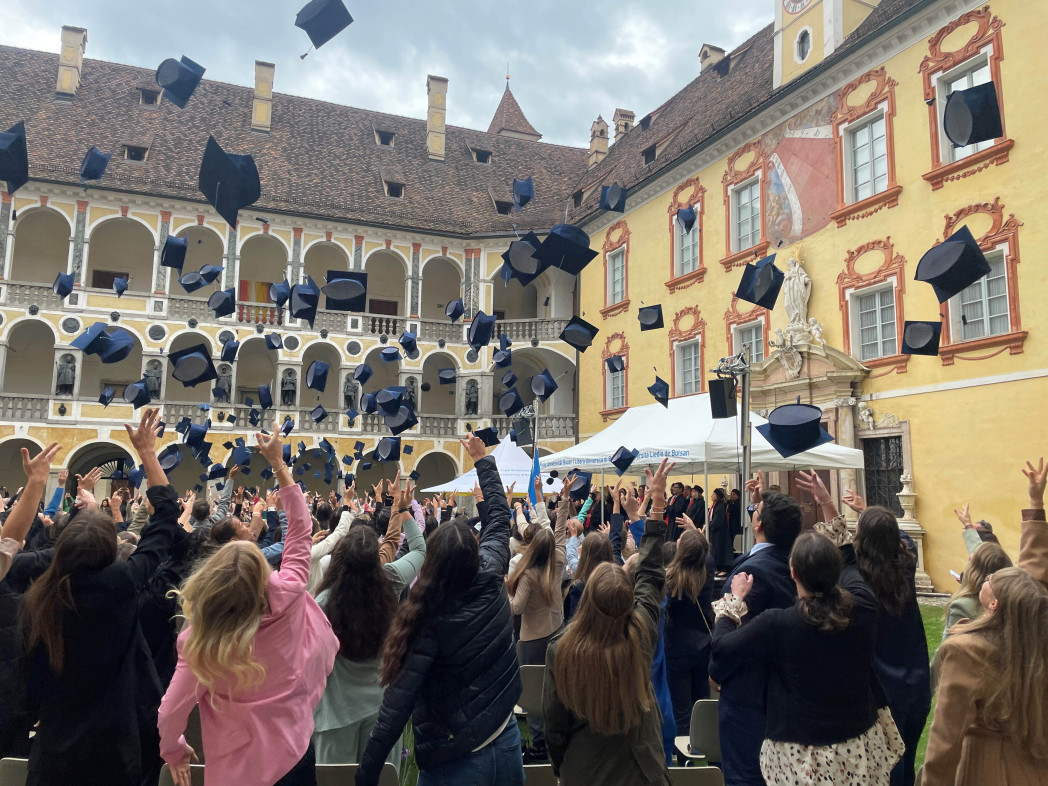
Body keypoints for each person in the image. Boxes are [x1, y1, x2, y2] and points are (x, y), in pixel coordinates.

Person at [158, 413, 340, 786]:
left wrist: (174, 748)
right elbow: (301, 532)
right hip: (294, 755)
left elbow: (171, 713)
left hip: (237, 770)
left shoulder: (199, 642)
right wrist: (278, 463)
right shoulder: (288, 593)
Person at [22, 410, 186, 786]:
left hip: (53, 752)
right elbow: (166, 517)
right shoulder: (123, 582)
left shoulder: (38, 596)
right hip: (112, 748)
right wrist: (147, 453)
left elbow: (29, 687)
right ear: (110, 550)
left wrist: (39, 489)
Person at [356, 433, 523, 786]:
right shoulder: (492, 572)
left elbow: (396, 708)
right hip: (506, 739)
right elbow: (498, 517)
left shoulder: (427, 620)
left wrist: (366, 773)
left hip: (457, 757)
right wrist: (482, 459)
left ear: (432, 562)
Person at [711, 522, 904, 785]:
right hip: (857, 741)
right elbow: (850, 563)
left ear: (793, 573)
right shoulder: (863, 607)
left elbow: (722, 649)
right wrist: (827, 505)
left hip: (801, 754)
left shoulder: (777, 624)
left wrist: (733, 602)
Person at [542, 458, 675, 785]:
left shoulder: (561, 649)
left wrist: (562, 767)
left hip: (584, 769)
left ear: (587, 600)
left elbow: (554, 726)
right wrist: (655, 507)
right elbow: (650, 576)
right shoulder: (640, 632)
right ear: (628, 602)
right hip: (639, 770)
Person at [923, 457, 1048, 785]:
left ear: (994, 604)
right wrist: (1036, 503)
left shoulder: (967, 650)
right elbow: (1033, 575)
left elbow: (945, 741)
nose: (989, 576)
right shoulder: (1033, 625)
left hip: (988, 767)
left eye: (996, 579)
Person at [313, 478, 426, 765]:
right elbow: (420, 551)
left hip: (335, 716)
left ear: (339, 557)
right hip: (382, 711)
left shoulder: (321, 603)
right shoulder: (391, 578)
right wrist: (404, 512)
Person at [830, 480, 930, 786]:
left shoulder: (857, 578)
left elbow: (840, 544)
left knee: (885, 764)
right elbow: (897, 536)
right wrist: (866, 510)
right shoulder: (908, 560)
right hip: (915, 679)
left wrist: (831, 505)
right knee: (906, 757)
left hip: (881, 684)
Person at [709, 471, 801, 786]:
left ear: (758, 525)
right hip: (784, 694)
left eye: (755, 514)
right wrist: (758, 503)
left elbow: (730, 644)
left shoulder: (750, 576)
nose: (751, 515)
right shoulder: (792, 561)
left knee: (746, 776)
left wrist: (716, 669)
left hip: (750, 699)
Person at [508, 474, 568, 763]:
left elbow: (516, 608)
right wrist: (558, 497)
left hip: (532, 640)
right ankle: (555, 740)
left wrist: (503, 589)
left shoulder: (528, 573)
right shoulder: (558, 562)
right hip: (557, 632)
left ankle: (540, 745)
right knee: (553, 687)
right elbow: (556, 529)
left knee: (533, 691)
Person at [664, 527, 716, 734]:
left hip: (677, 647)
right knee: (701, 701)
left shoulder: (670, 579)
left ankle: (685, 758)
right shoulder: (708, 567)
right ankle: (704, 744)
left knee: (681, 708)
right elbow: (704, 550)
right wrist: (695, 533)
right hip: (703, 644)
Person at [941, 504, 1012, 640]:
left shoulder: (962, 606)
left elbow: (948, 649)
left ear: (975, 571)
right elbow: (986, 558)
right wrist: (968, 525)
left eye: (971, 560)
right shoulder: (1011, 598)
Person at [709, 488, 732, 575]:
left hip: (720, 532)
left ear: (718, 496)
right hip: (715, 532)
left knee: (721, 549)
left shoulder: (720, 506)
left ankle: (723, 568)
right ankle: (718, 567)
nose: (711, 496)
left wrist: (710, 526)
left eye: (713, 494)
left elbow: (717, 520)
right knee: (715, 550)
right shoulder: (715, 505)